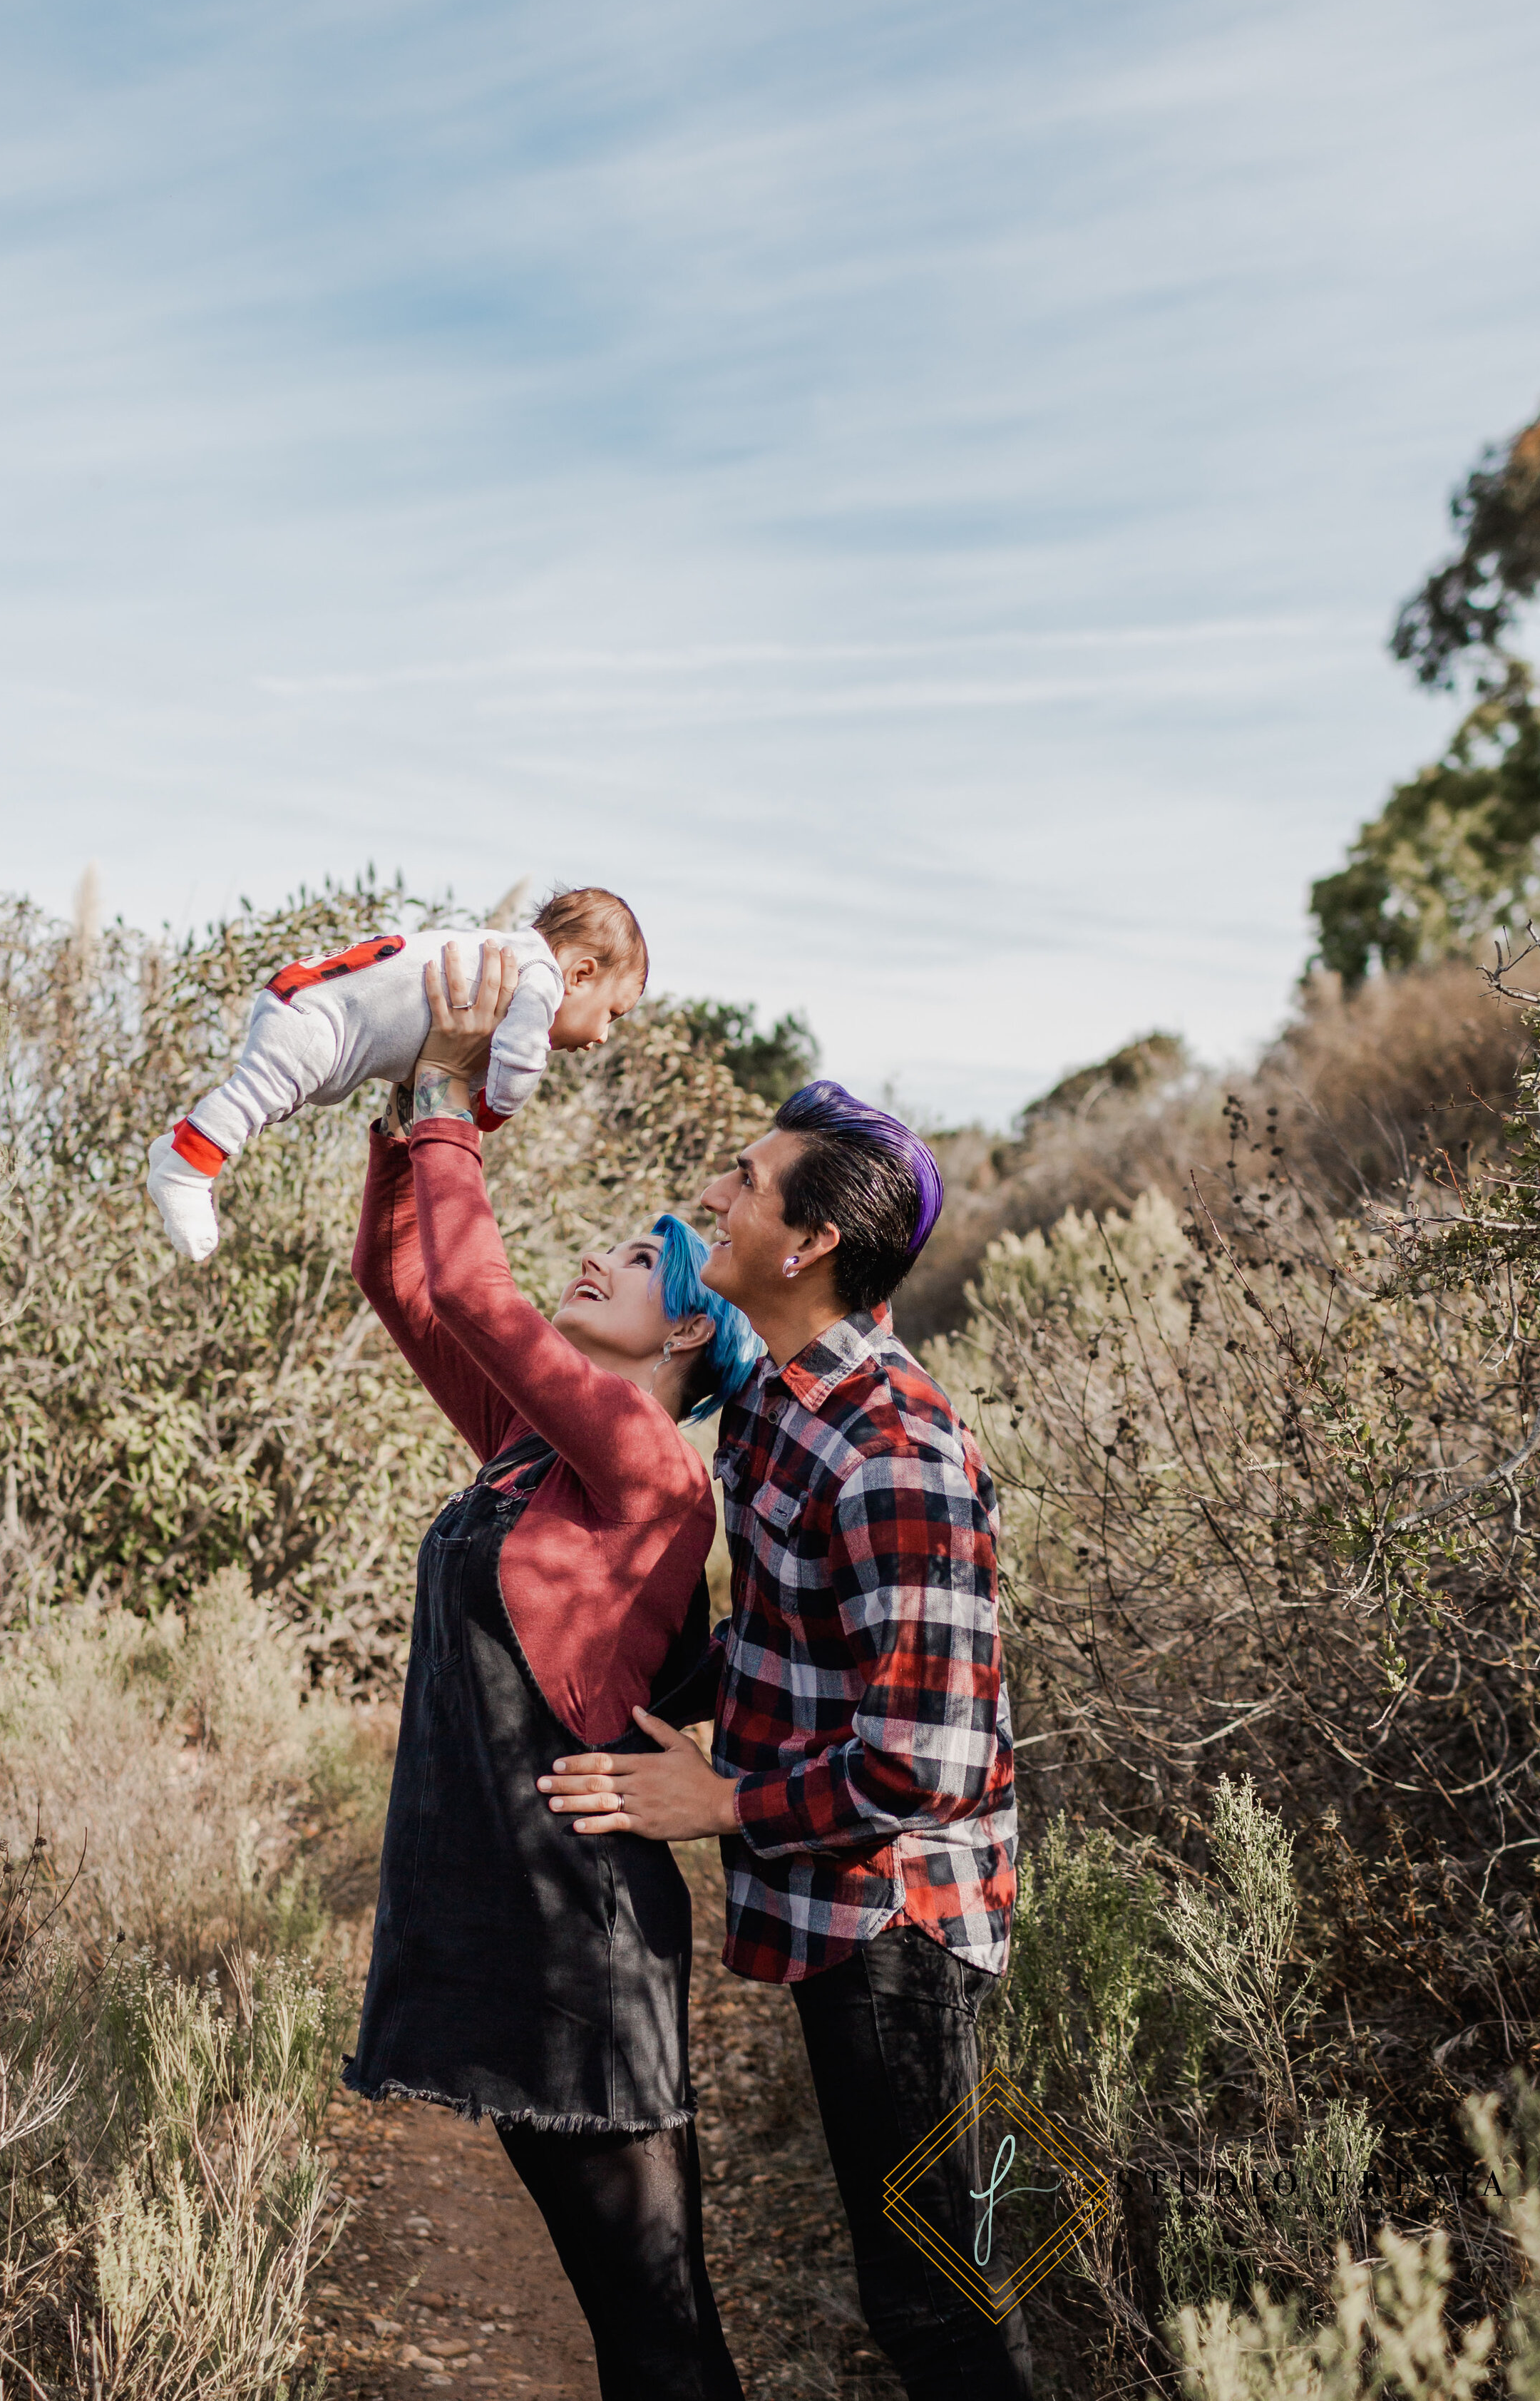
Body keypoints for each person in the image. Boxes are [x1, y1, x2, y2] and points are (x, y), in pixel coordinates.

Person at [538, 1082, 1027, 2401]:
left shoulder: (896, 1447)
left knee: (939, 2298)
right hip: (843, 1911)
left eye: (746, 1184)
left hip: (903, 1927)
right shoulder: (771, 1410)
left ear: (807, 1243)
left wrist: (720, 1803)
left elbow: (932, 1761)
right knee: (930, 2281)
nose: (717, 1199)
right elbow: (784, 1639)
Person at [343, 941, 760, 2401]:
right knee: (629, 2332)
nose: (595, 1258)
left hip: (579, 1943)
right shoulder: (537, 1452)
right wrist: (410, 1112)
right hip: (507, 1930)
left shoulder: (646, 1459)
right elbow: (406, 1280)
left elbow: (477, 1281)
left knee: (658, 2337)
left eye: (639, 1261)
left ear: (692, 1333)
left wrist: (464, 1095)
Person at [145, 886, 645, 1259]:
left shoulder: (502, 959)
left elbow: (465, 1060)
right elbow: (519, 1058)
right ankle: (186, 1170)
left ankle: (176, 1144)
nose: (602, 1036)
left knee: (270, 1100)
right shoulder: (536, 978)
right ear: (580, 974)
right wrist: (495, 1110)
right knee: (258, 1095)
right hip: (321, 1012)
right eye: (612, 1014)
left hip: (312, 1000)